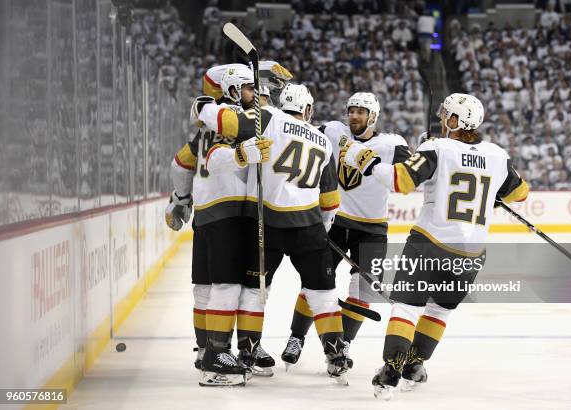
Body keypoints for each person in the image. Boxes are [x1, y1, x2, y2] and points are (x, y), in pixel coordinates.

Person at [340, 93, 529, 399]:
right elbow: (520, 193)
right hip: (470, 255)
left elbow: (401, 181)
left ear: (456, 120)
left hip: (430, 243)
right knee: (439, 310)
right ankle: (414, 365)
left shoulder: (437, 147)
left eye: (447, 115)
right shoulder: (497, 155)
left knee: (405, 307)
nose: (443, 119)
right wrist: (494, 190)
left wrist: (367, 161)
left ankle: (391, 372)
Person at [198, 83, 350, 383]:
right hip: (309, 227)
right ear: (308, 110)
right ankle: (336, 356)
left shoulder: (267, 117)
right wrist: (323, 230)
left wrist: (203, 106)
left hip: (266, 225)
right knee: (323, 294)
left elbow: (226, 122)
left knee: (255, 292)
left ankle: (248, 352)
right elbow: (331, 201)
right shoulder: (322, 140)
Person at [166, 62, 290, 386]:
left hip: (205, 215)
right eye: (251, 88)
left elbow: (179, 164)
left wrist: (181, 199)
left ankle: (205, 350)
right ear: (235, 90)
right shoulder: (237, 121)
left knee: (204, 289)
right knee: (228, 287)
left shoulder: (205, 127)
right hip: (229, 213)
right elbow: (218, 157)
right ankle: (217, 360)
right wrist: (240, 156)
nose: (257, 95)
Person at [280, 92, 410, 370]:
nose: (354, 116)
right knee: (313, 284)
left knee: (363, 291)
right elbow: (297, 135)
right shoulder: (331, 131)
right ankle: (296, 337)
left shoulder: (391, 143)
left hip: (372, 229)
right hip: (334, 224)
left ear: (373, 116)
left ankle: (344, 344)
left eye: (361, 112)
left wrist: (428, 151)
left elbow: (410, 173)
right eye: (351, 111)